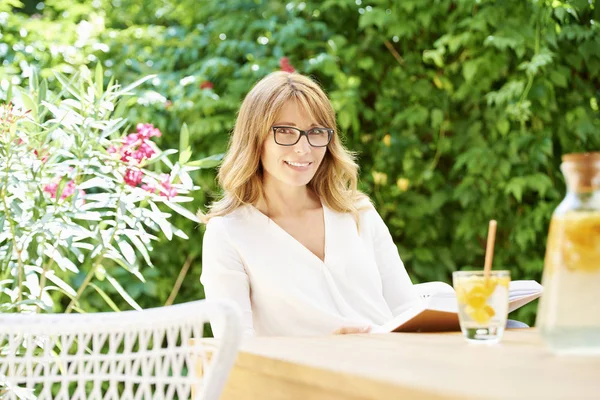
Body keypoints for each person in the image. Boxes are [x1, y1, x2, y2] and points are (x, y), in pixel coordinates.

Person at [200, 71, 421, 338]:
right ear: (255, 138)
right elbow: (236, 349)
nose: (304, 148)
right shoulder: (228, 233)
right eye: (285, 131)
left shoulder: (357, 213)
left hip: (392, 366)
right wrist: (325, 348)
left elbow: (407, 311)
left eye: (316, 132)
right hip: (308, 378)